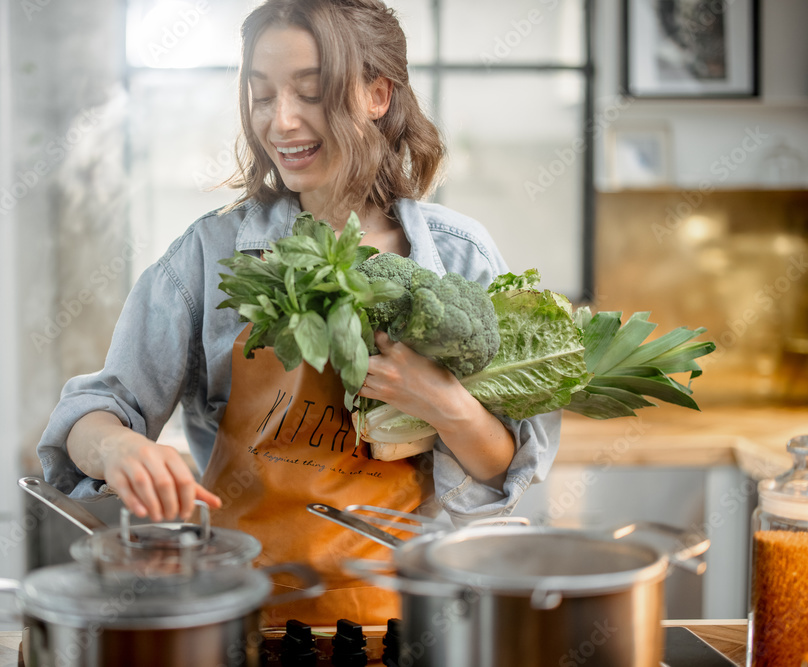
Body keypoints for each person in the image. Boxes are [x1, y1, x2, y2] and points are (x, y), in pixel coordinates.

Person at [37, 0, 561, 626]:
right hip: (242, 617)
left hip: (409, 619)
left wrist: (440, 402)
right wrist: (117, 447)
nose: (281, 122)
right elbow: (91, 416)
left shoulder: (459, 257)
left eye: (309, 93)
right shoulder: (210, 255)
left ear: (378, 94)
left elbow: (506, 471)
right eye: (261, 96)